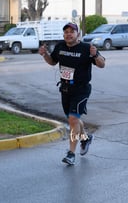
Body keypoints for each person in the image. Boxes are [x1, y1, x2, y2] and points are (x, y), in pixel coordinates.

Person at [38, 22, 105, 165]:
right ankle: (85, 138)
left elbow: (102, 64)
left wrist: (95, 55)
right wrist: (45, 54)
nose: (68, 34)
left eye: (71, 31)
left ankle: (71, 153)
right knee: (72, 119)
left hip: (81, 89)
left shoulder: (86, 48)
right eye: (66, 32)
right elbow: (52, 62)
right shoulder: (60, 46)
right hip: (65, 89)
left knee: (73, 119)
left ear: (78, 34)